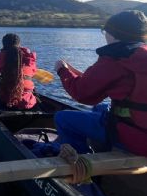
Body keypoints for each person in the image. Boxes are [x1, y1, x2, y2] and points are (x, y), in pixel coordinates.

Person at [54, 10, 147, 156]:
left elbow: (83, 94)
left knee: (62, 118)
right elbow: (111, 85)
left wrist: (62, 70)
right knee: (100, 107)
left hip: (137, 138)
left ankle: (80, 161)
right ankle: (102, 147)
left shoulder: (117, 57)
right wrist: (74, 72)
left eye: (105, 31)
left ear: (114, 34)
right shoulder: (140, 54)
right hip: (141, 127)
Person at [0, 33, 37, 109]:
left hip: (7, 100)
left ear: (4, 45)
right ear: (19, 44)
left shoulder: (2, 56)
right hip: (28, 101)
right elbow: (32, 72)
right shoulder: (30, 58)